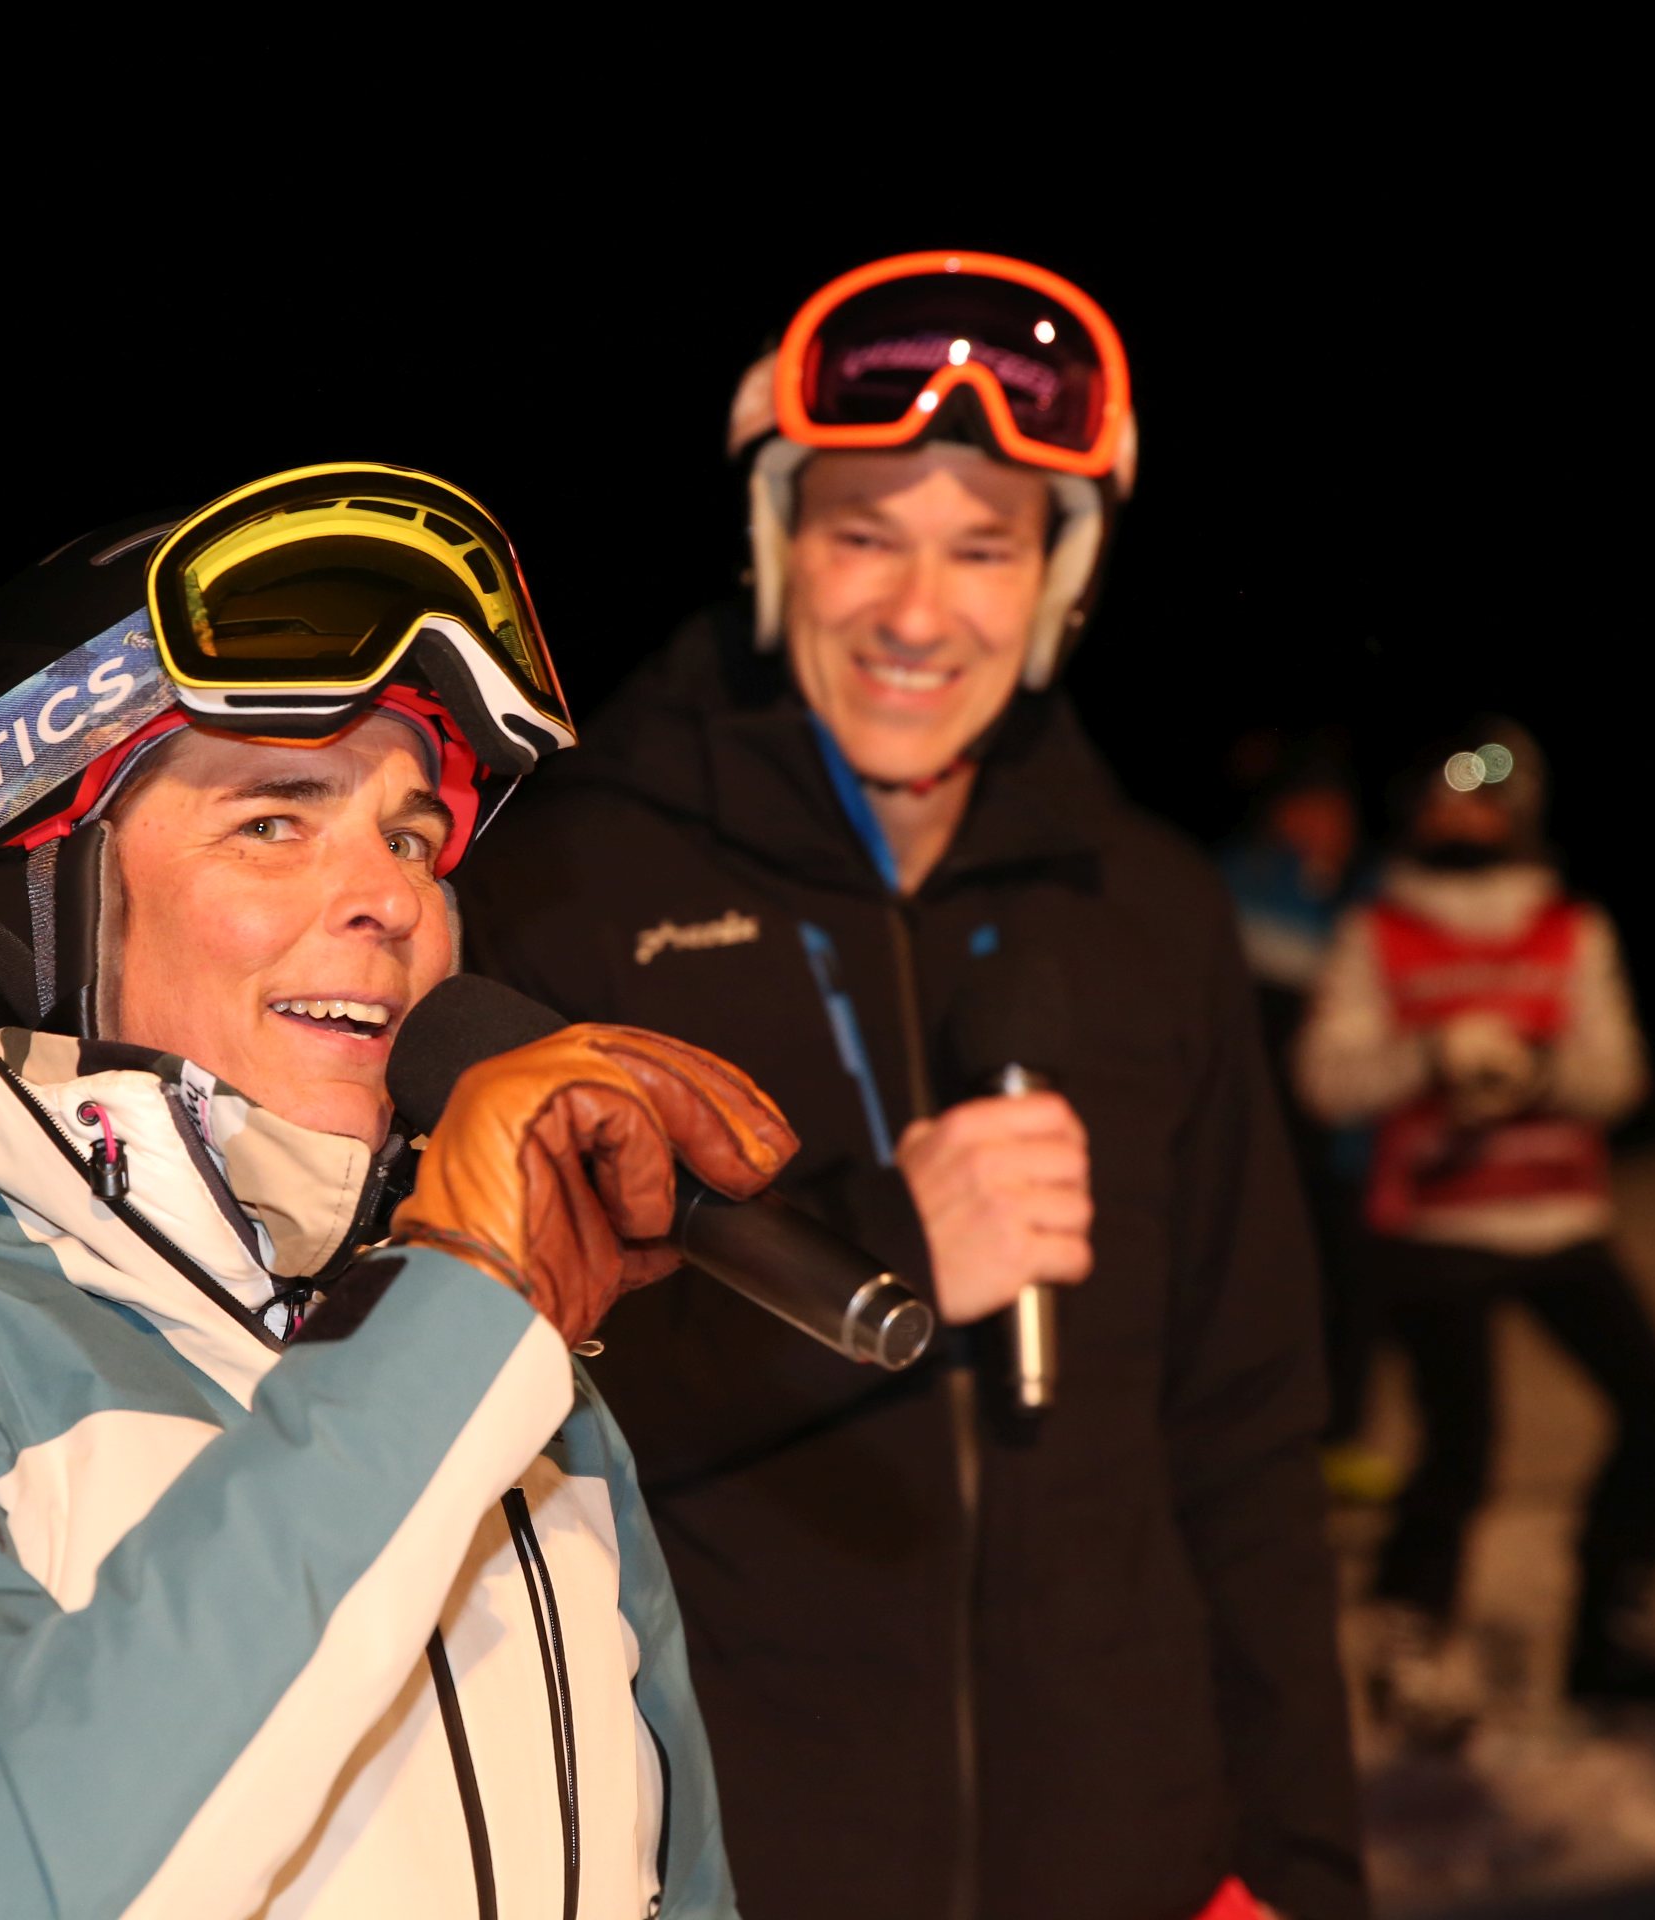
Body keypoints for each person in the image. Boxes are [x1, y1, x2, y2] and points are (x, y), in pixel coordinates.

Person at [0, 462, 796, 1919]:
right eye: (275, 821)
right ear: (34, 903)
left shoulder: (494, 1342)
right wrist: (455, 1327)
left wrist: (467, 1314)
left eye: (413, 836)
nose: (396, 897)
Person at [460, 253, 1363, 1920]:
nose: (919, 613)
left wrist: (1299, 1867)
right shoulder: (564, 893)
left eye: (985, 548)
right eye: (866, 534)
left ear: (1058, 578)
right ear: (775, 542)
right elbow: (483, 1413)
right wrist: (883, 1254)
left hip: (1139, 1857)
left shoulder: (1151, 907)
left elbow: (1246, 1436)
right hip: (730, 1866)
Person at [1298, 717, 1655, 1707]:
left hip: (1560, 1216)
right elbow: (1326, 1079)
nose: (1461, 815)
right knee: (1461, 1444)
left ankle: (1611, 1625)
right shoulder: (1377, 931)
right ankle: (1408, 1640)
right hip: (1433, 1229)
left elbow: (1618, 1075)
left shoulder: (1570, 928)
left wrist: (1538, 1073)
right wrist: (1431, 1057)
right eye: (1440, 798)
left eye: (1484, 797)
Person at [1216, 740, 1389, 1501]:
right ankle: (1277, 1450)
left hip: (1355, 1142)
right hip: (1267, 1144)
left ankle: (1342, 1440)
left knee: (1357, 1291)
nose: (1322, 824)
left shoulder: (1375, 891)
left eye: (1333, 808)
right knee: (1274, 1297)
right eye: (1304, 808)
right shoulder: (1240, 891)